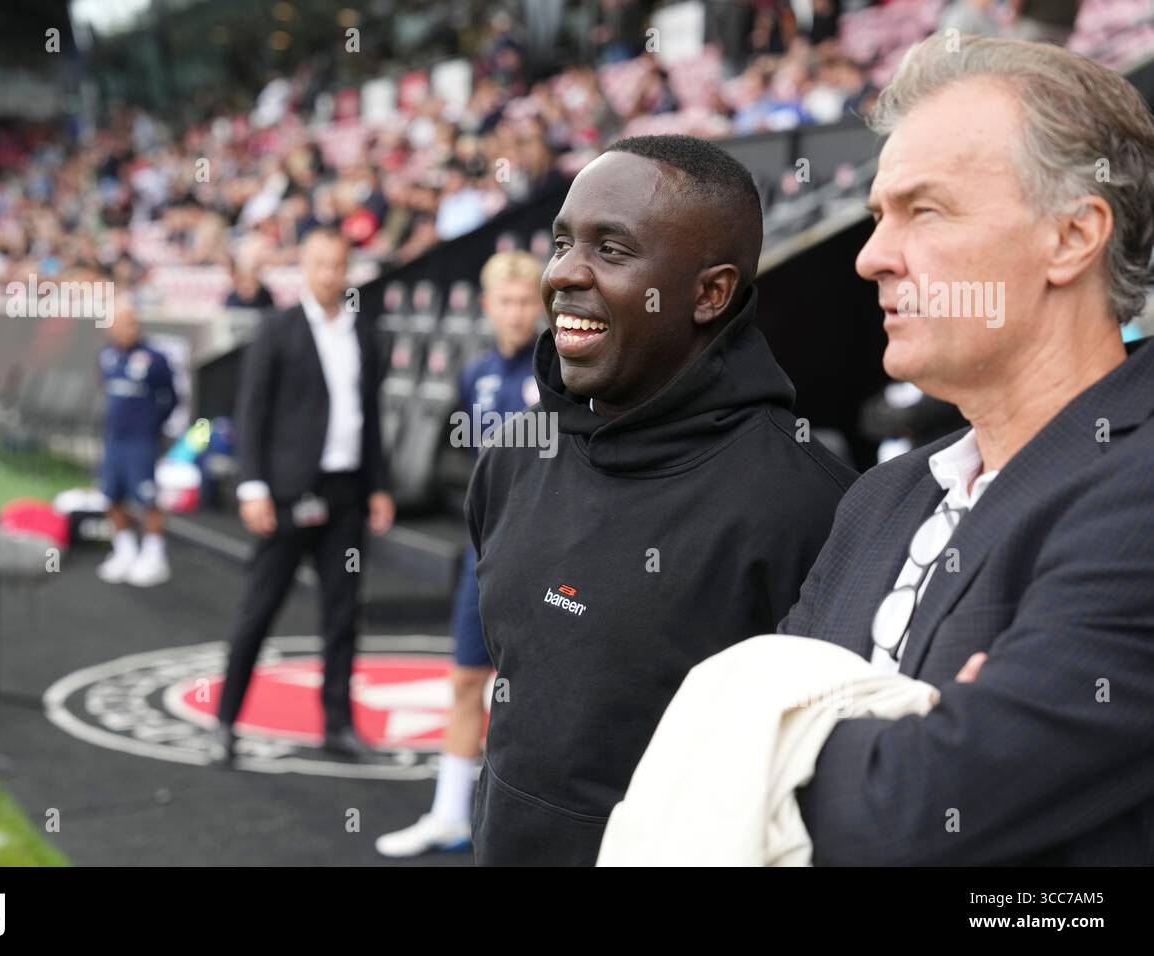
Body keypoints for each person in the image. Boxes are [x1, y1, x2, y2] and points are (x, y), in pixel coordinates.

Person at [779, 34, 1154, 865]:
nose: (873, 257)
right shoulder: (878, 500)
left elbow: (916, 811)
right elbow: (754, 707)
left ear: (1072, 236)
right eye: (879, 215)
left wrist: (781, 746)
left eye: (926, 210)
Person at [467, 134, 858, 865]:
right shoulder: (514, 454)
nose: (564, 275)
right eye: (562, 242)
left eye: (611, 250)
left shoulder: (810, 509)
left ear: (710, 294)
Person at [376, 251, 544, 858]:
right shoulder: (475, 377)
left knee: (542, 693)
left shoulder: (562, 372)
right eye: (506, 300)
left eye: (527, 300)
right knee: (466, 680)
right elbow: (481, 467)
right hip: (487, 553)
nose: (517, 311)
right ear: (488, 305)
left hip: (548, 558)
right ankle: (449, 814)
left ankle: (527, 828)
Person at [215, 227, 396, 764]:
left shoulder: (364, 332)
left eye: (337, 265)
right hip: (288, 494)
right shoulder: (278, 329)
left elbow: (370, 418)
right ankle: (225, 721)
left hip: (345, 494)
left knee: (342, 615)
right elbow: (251, 412)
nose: (328, 275)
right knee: (259, 608)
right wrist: (252, 487)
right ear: (304, 268)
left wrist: (379, 485)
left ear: (348, 269)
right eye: (318, 264)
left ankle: (337, 727)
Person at [96, 294, 177, 588]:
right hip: (114, 439)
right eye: (121, 322)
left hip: (141, 442)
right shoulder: (106, 356)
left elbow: (172, 397)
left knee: (147, 498)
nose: (128, 328)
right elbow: (105, 387)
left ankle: (155, 555)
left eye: (132, 322)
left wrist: (152, 424)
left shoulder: (155, 359)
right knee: (109, 497)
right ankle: (125, 550)